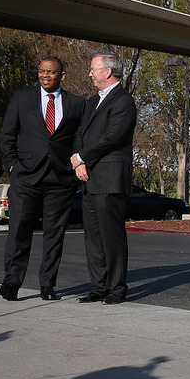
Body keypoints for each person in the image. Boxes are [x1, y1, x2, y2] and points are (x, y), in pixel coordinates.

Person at [0, 56, 86, 301]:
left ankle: (48, 285)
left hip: (60, 179)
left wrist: (75, 160)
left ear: (61, 76)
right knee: (18, 231)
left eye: (51, 72)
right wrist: (12, 165)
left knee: (54, 235)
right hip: (25, 177)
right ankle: (11, 282)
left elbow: (79, 137)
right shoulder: (22, 98)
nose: (46, 75)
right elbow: (7, 135)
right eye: (42, 71)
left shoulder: (77, 104)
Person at [70, 52, 137, 305]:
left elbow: (112, 137)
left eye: (93, 69)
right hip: (88, 177)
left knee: (112, 236)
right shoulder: (91, 103)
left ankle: (117, 288)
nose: (90, 74)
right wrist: (78, 159)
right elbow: (80, 133)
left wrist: (82, 158)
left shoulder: (124, 101)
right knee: (93, 237)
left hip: (109, 178)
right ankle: (98, 287)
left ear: (108, 72)